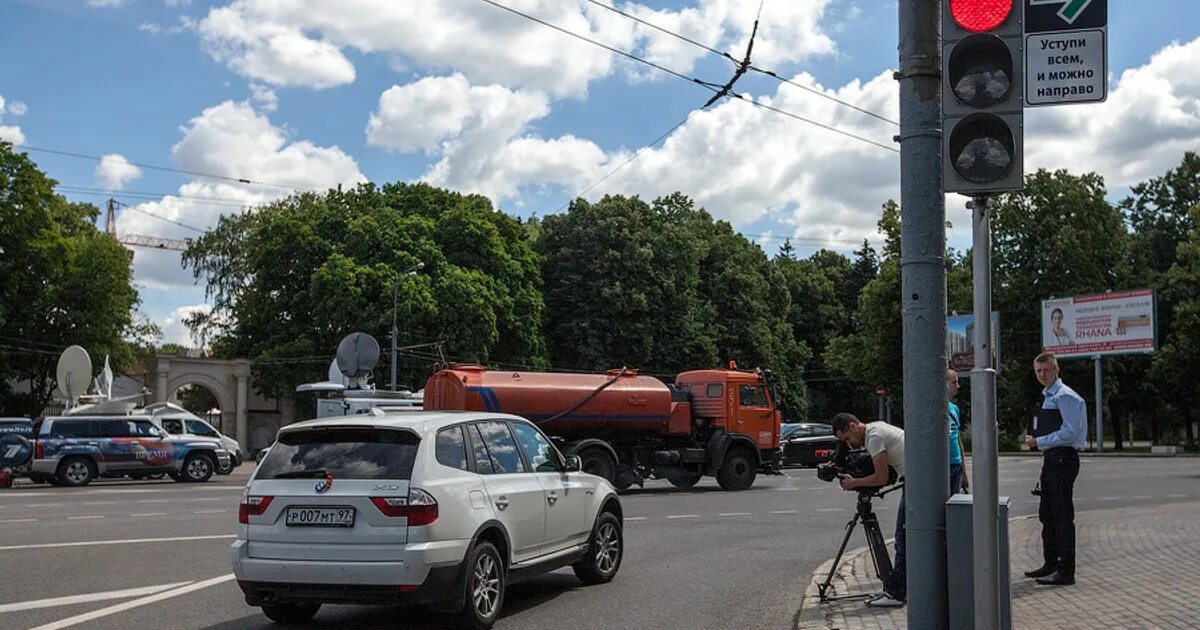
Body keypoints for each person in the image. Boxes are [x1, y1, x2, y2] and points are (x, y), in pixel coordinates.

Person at [1024, 352, 1086, 586]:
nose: (1042, 375)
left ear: (1056, 370)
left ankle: (1065, 571)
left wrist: (1039, 441)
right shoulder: (1048, 396)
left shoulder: (1065, 396)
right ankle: (1051, 564)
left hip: (1063, 458)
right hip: (1052, 457)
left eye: (1046, 370)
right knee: (1047, 514)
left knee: (1061, 516)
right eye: (1038, 371)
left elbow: (1070, 432)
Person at [831, 412, 906, 607]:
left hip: (916, 485)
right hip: (915, 481)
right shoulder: (877, 426)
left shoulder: (874, 438)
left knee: (903, 540)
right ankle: (897, 589)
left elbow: (881, 478)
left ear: (853, 425)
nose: (849, 443)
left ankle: (895, 594)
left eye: (847, 438)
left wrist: (854, 482)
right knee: (904, 539)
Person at [947, 369, 968, 495]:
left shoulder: (954, 408)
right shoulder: (934, 408)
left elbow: (958, 439)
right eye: (954, 382)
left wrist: (964, 471)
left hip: (956, 463)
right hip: (943, 464)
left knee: (954, 501)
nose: (958, 386)